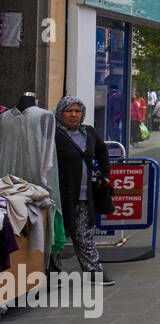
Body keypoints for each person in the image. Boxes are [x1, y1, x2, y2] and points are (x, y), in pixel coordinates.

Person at [52, 96, 115, 285]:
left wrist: (105, 174)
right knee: (56, 237)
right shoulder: (53, 134)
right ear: (60, 113)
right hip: (59, 197)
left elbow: (102, 151)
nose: (73, 115)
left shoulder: (88, 132)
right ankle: (53, 275)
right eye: (69, 111)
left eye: (77, 111)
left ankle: (94, 272)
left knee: (85, 236)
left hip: (84, 196)